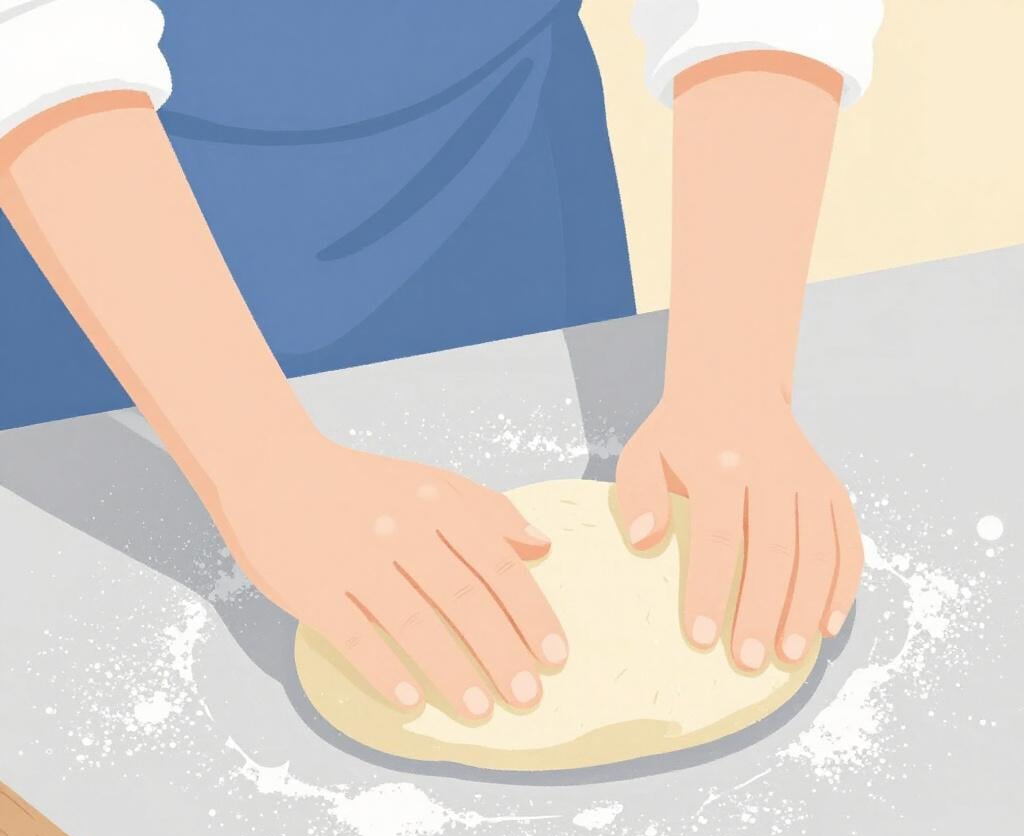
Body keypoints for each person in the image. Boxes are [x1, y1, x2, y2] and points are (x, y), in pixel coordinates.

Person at [0, 1, 880, 722]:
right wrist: (261, 462)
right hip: (106, 250)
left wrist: (734, 386)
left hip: (499, 188)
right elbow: (34, 36)